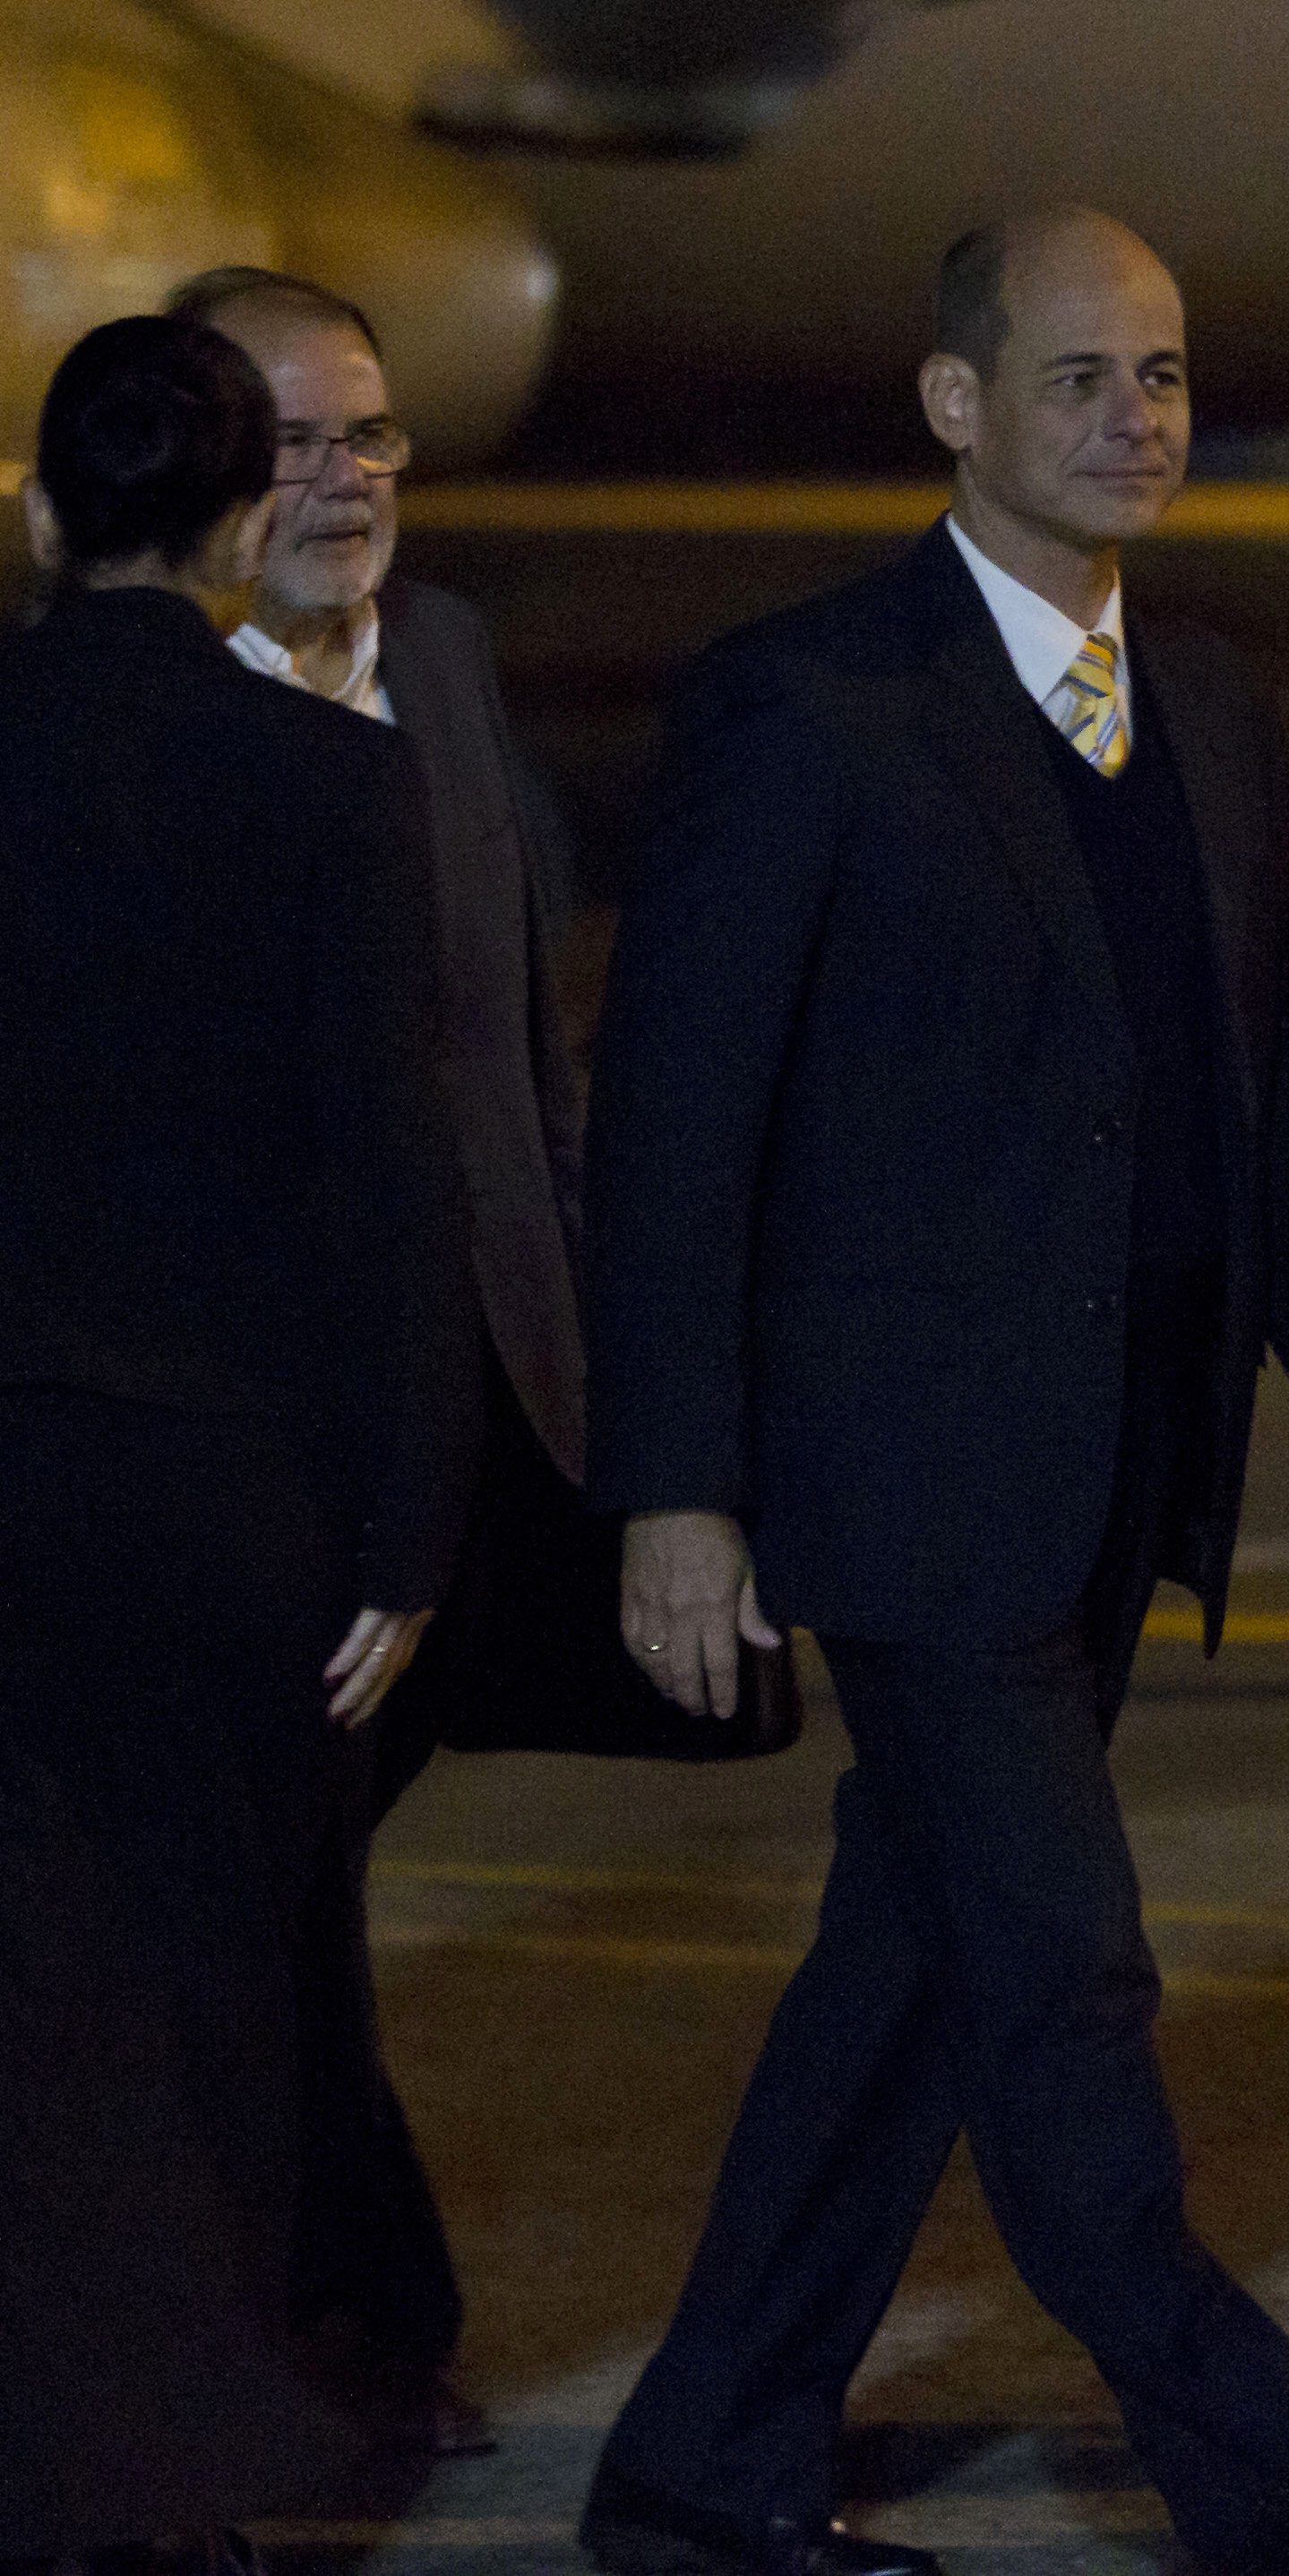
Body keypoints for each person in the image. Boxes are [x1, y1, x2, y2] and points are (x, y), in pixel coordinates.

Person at [576, 208, 1289, 2576]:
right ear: (956, 406)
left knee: (914, 1969)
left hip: (1117, 1465)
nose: (1134, 420)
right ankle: (1239, 2469)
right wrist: (676, 1492)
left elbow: (1280, 1090)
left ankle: (700, 2464)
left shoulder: (1204, 709)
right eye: (1080, 377)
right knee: (1069, 1964)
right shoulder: (812, 704)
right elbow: (671, 1132)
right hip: (899, 1475)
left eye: (1165, 376)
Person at [0, 314, 479, 2565]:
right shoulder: (322, 783)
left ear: (35, 511)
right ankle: (197, 2467)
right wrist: (407, 1513)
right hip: (232, 1490)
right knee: (224, 1982)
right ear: (223, 523)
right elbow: (392, 1175)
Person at [164, 261, 597, 2466]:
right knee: (252, 1894)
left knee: (293, 1888)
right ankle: (314, 2324)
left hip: (475, 1407)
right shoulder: (131, 711)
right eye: (286, 441)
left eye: (370, 437)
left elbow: (519, 1051)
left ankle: (328, 2312)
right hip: (253, 1436)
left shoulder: (441, 655)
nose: (340, 484)